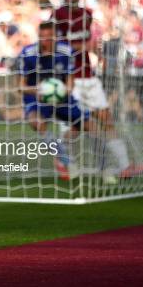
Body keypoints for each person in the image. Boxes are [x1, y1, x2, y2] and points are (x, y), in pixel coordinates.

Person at [54, 0, 143, 179]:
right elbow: (58, 47)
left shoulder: (86, 14)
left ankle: (124, 167)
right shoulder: (58, 15)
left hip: (89, 76)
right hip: (73, 79)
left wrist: (97, 51)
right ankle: (63, 159)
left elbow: (88, 41)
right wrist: (82, 47)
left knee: (106, 120)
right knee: (77, 126)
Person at [18, 21, 94, 181]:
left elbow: (70, 81)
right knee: (36, 122)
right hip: (36, 96)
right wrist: (37, 90)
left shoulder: (66, 51)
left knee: (90, 126)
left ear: (56, 37)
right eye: (42, 37)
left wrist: (64, 91)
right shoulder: (28, 53)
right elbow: (20, 86)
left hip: (62, 97)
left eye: (49, 37)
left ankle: (107, 167)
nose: (46, 41)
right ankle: (67, 161)